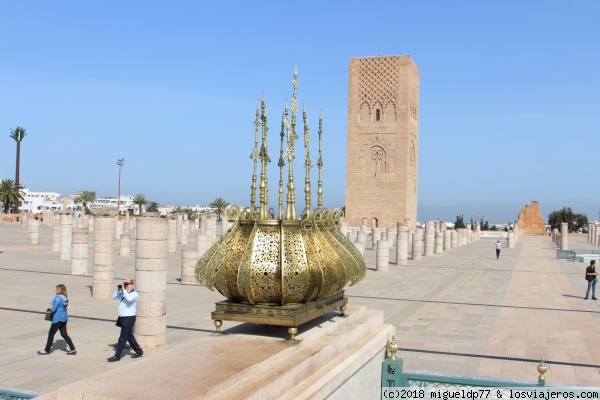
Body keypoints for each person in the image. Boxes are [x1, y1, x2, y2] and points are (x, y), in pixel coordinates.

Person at [108, 279, 143, 362]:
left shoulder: (134, 294)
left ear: (132, 285)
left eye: (127, 284)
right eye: (125, 284)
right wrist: (119, 289)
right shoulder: (125, 293)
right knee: (129, 336)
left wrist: (124, 291)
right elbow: (115, 297)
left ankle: (117, 355)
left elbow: (129, 299)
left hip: (129, 317)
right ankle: (139, 351)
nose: (126, 286)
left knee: (123, 337)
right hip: (122, 317)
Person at [38, 284, 77, 355]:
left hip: (57, 318)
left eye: (56, 289)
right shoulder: (64, 298)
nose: (55, 290)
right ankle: (73, 349)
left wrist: (50, 311)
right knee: (64, 334)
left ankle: (46, 350)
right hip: (64, 318)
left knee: (51, 334)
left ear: (59, 290)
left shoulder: (58, 298)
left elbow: (53, 309)